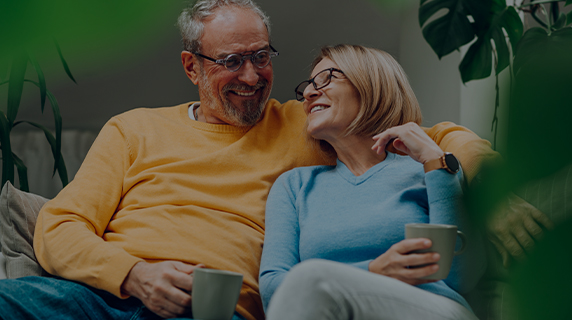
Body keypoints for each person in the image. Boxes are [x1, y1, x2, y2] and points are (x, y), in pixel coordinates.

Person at [0, 1, 511, 320]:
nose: (251, 76)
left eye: (261, 56)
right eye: (230, 61)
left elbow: (427, 132)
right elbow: (59, 226)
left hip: (205, 309)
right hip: (96, 297)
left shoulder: (304, 122)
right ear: (191, 67)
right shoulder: (133, 128)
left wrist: (481, 169)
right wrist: (132, 274)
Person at [259, 44, 486, 319]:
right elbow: (274, 290)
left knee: (311, 278)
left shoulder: (432, 171)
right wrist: (373, 271)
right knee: (310, 280)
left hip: (431, 308)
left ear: (371, 85)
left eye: (328, 78)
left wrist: (437, 163)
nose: (308, 93)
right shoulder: (294, 186)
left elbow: (461, 278)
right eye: (307, 86)